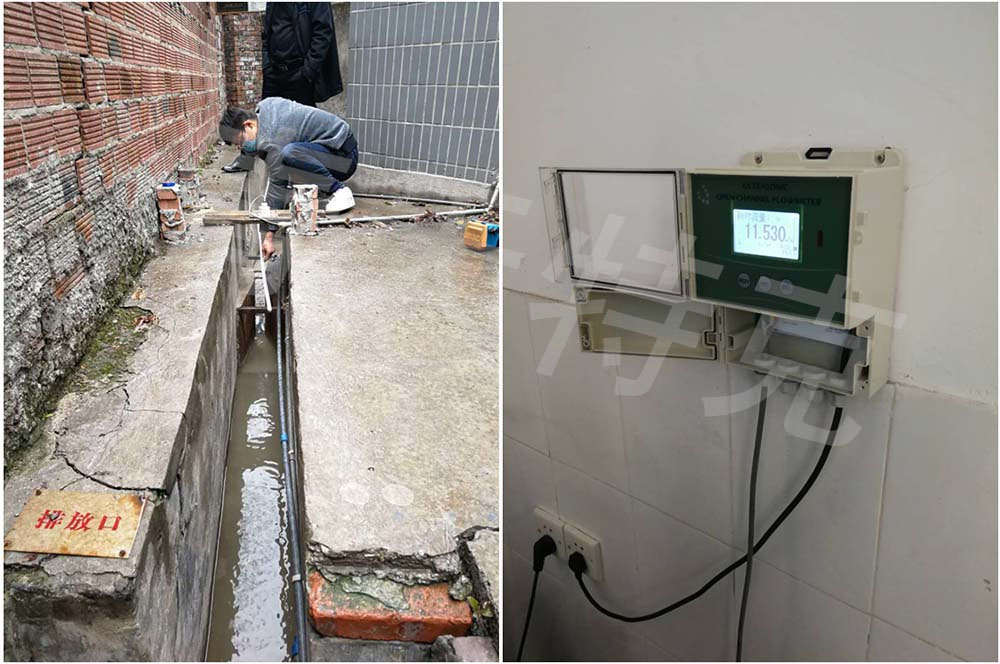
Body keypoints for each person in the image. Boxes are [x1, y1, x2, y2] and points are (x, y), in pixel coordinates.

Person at [218, 98, 358, 259]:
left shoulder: (271, 139)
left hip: (344, 160)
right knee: (291, 159)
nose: (242, 147)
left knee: (290, 154)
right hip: (336, 148)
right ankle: (321, 191)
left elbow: (278, 182)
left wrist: (269, 236)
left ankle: (339, 191)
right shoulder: (265, 108)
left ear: (248, 125)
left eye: (241, 141)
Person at [222, 2, 344, 173]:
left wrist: (308, 71)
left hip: (299, 71)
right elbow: (267, 35)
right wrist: (267, 66)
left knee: (302, 125)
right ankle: (246, 160)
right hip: (275, 71)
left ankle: (320, 171)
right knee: (261, 117)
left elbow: (323, 33)